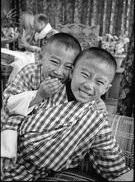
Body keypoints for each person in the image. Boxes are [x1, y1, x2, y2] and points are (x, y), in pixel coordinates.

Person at [1, 47, 133, 181]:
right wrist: (8, 144)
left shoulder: (97, 121)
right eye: (85, 75)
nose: (89, 85)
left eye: (99, 82)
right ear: (72, 72)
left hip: (28, 173)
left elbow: (113, 162)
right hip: (8, 150)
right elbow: (15, 110)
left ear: (106, 89)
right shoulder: (48, 88)